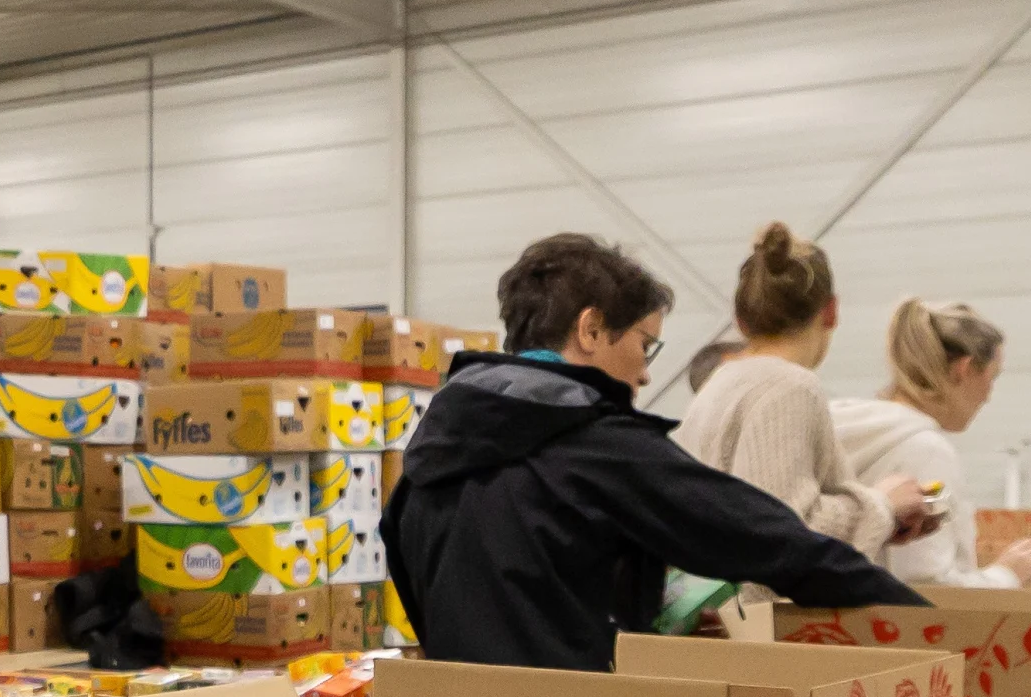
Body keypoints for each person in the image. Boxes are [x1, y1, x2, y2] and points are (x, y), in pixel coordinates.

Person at [384, 231, 921, 669]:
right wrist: (935, 627)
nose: (644, 372)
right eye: (644, 344)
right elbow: (764, 539)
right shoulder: (597, 445)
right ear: (591, 329)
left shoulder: (429, 456)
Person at [670, 222, 931, 562]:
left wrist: (882, 523)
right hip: (764, 614)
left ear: (741, 320)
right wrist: (883, 505)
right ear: (831, 311)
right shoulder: (790, 387)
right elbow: (786, 531)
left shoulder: (717, 387)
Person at [826, 298, 1031, 588]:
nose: (989, 396)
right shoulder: (924, 450)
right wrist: (1008, 575)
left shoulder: (858, 430)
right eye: (992, 377)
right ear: (963, 370)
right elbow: (928, 585)